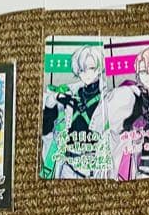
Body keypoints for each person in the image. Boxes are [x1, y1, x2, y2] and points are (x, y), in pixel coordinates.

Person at [40, 46, 107, 178]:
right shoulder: (70, 94)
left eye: (91, 68)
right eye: (82, 70)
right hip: (68, 166)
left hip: (95, 168)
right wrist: (53, 100)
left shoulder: (107, 98)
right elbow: (46, 127)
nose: (87, 74)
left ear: (99, 68)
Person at [104, 47, 149, 180]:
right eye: (143, 72)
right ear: (137, 72)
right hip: (132, 165)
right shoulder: (129, 95)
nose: (148, 77)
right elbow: (114, 129)